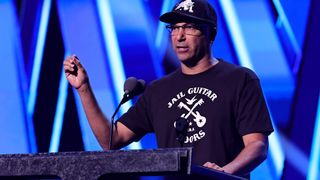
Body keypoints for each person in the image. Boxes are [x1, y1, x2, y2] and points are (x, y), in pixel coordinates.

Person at [63, 0, 273, 178]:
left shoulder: (239, 79)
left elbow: (257, 146)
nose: (179, 36)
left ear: (211, 34)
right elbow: (112, 140)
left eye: (189, 27)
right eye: (174, 28)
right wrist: (83, 89)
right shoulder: (159, 90)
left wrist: (222, 174)